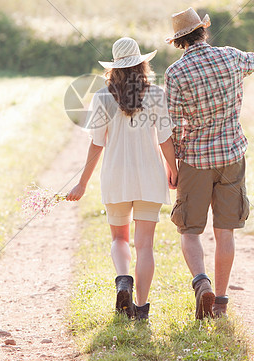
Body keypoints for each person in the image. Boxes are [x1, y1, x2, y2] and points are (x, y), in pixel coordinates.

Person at [164, 7, 254, 319]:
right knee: (226, 232)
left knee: (190, 231)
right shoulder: (232, 56)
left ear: (179, 41)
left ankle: (201, 283)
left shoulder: (175, 74)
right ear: (203, 31)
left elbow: (168, 125)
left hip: (195, 160)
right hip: (232, 156)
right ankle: (220, 303)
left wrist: (173, 165)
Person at [66, 37, 178, 321]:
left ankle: (123, 279)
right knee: (145, 245)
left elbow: (96, 145)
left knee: (119, 238)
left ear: (114, 68)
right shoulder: (157, 94)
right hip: (150, 176)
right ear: (142, 64)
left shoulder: (102, 97)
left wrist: (82, 183)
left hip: (115, 177)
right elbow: (165, 139)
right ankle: (141, 308)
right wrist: (173, 168)